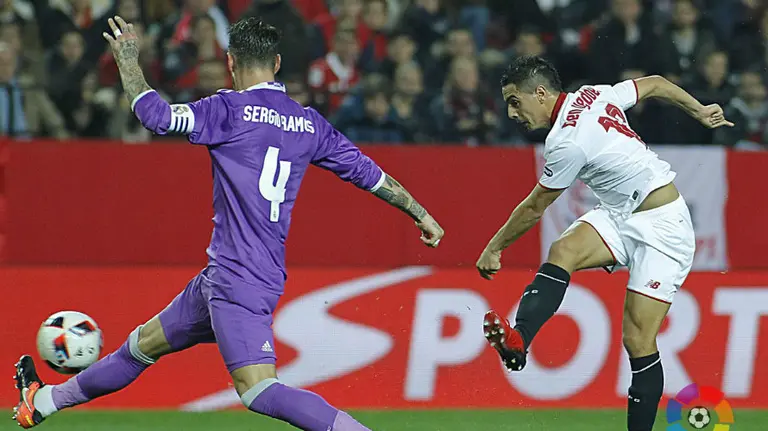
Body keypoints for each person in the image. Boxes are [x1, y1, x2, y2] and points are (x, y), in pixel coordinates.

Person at [13, 16, 444, 430]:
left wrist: (127, 59)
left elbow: (155, 117)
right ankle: (44, 402)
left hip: (239, 278)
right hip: (236, 275)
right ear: (276, 64)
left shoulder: (226, 110)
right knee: (139, 347)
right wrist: (421, 213)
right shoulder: (309, 123)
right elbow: (370, 174)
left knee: (258, 391)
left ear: (232, 62)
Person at [476, 55, 732, 431]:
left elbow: (534, 207)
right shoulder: (592, 95)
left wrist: (494, 247)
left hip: (663, 228)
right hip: (618, 213)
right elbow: (657, 81)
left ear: (542, 93)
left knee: (637, 340)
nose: (512, 113)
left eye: (516, 101)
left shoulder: (567, 141)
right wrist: (700, 110)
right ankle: (519, 341)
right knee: (563, 250)